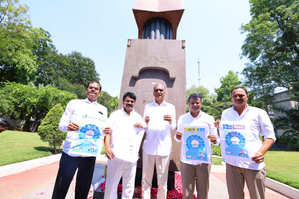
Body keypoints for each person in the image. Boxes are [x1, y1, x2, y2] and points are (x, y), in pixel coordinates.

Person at [52, 81, 111, 199]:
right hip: (71, 152)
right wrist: (67, 127)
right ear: (86, 90)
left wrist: (107, 131)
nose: (93, 90)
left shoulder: (103, 110)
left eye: (96, 89)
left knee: (83, 187)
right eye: (91, 88)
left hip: (89, 153)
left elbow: (103, 129)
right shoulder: (74, 104)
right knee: (61, 184)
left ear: (99, 93)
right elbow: (62, 124)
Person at [215, 87, 276, 199]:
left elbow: (270, 136)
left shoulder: (259, 113)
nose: (238, 98)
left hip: (252, 162)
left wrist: (261, 153)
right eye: (235, 96)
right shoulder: (226, 113)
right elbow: (226, 135)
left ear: (247, 96)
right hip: (232, 163)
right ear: (231, 98)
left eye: (241, 95)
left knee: (257, 196)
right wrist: (220, 126)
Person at [175, 93, 219, 199]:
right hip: (187, 160)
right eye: (192, 103)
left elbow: (216, 140)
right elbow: (177, 138)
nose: (195, 105)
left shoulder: (208, 119)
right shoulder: (182, 118)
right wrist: (178, 137)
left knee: (203, 192)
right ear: (189, 104)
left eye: (197, 102)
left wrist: (214, 139)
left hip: (203, 160)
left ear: (201, 103)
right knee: (187, 192)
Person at [104, 92, 145, 199]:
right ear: (123, 102)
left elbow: (141, 135)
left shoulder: (138, 117)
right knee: (112, 183)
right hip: (116, 155)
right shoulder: (115, 115)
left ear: (134, 103)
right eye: (127, 101)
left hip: (131, 157)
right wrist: (107, 147)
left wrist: (143, 127)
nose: (129, 103)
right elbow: (107, 132)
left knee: (129, 185)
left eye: (132, 101)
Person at [142, 83, 176, 199]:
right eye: (156, 90)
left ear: (164, 93)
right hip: (149, 146)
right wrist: (145, 123)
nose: (159, 92)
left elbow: (173, 126)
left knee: (162, 180)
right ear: (153, 93)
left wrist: (171, 121)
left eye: (161, 90)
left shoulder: (170, 107)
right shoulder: (148, 107)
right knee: (146, 178)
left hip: (164, 147)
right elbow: (144, 127)